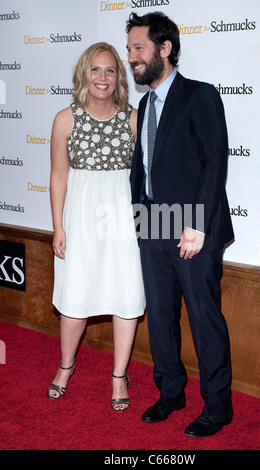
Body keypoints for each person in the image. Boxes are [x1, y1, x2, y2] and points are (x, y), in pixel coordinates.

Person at [126, 12, 234, 437]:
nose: (132, 56)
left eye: (139, 48)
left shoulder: (199, 96)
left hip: (193, 226)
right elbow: (145, 168)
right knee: (160, 315)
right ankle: (171, 391)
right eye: (131, 48)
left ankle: (218, 406)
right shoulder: (145, 104)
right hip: (152, 221)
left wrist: (198, 225)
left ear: (164, 49)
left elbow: (214, 163)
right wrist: (139, 216)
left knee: (205, 316)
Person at [48, 42, 145, 412]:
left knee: (125, 293)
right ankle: (65, 367)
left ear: (118, 76)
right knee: (75, 295)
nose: (102, 77)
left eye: (109, 70)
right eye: (95, 70)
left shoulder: (134, 118)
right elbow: (58, 178)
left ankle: (119, 375)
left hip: (123, 218)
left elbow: (146, 177)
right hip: (80, 216)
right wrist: (58, 227)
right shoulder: (65, 119)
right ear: (83, 74)